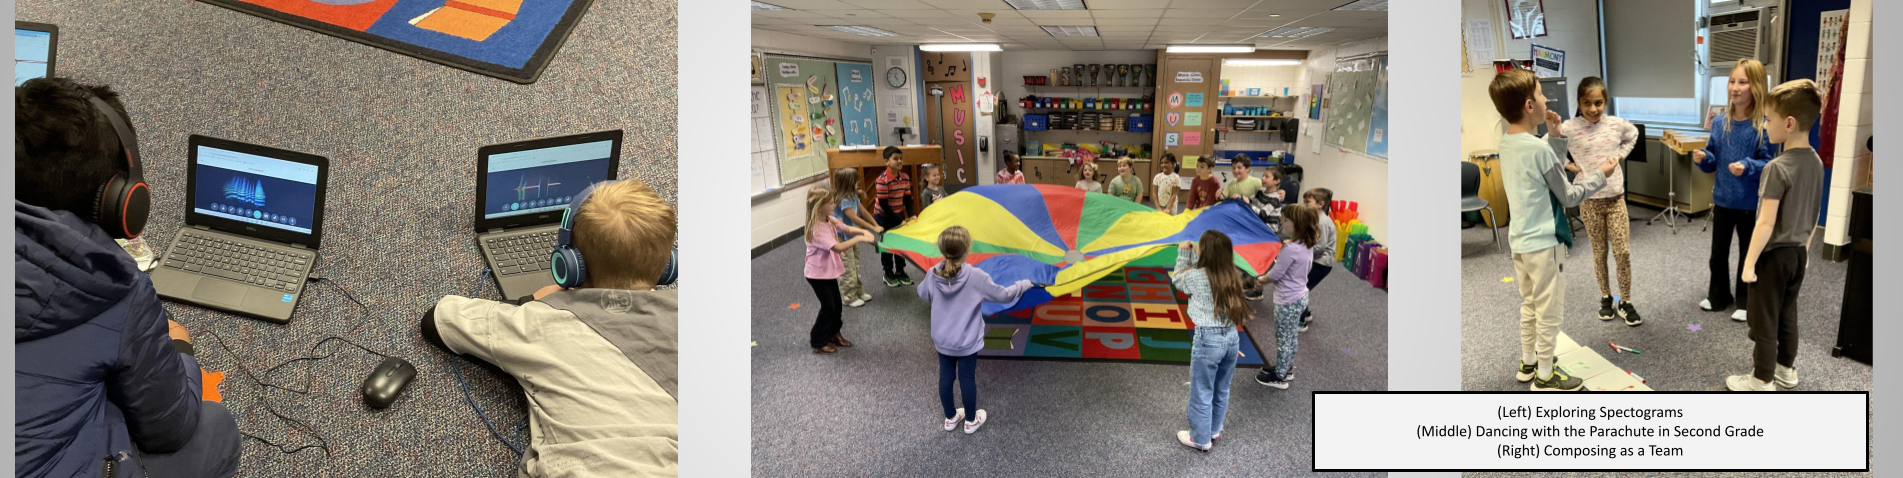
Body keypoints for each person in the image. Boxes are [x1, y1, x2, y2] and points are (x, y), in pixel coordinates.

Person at [16, 77, 241, 478]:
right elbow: (170, 428)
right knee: (215, 428)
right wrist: (180, 350)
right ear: (123, 201)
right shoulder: (111, 286)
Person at [421, 179, 680, 475]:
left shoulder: (543, 321)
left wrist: (534, 301)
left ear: (569, 264)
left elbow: (438, 319)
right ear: (667, 264)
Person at [1489, 68, 1613, 391]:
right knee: (1550, 311)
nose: (1546, 100)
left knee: (1530, 304)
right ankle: (1545, 375)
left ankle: (1529, 362)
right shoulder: (1538, 149)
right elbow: (1568, 194)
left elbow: (1544, 174)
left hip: (1520, 243)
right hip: (1545, 244)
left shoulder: (1507, 143)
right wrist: (1600, 174)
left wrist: (1555, 136)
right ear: (1530, 105)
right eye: (1542, 94)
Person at [1728, 79, 1825, 392]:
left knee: (1763, 320)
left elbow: (1765, 223)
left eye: (1768, 119)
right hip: (1797, 255)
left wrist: (1748, 264)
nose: (1765, 125)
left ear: (1789, 123)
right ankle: (1786, 370)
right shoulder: (1817, 163)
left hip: (1773, 257)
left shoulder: (1777, 167)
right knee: (1787, 313)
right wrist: (1806, 252)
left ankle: (1761, 379)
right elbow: (1812, 216)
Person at [917, 226, 1032, 434]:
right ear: (968, 248)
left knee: (946, 377)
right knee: (967, 378)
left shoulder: (932, 273)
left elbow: (923, 294)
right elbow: (1004, 295)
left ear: (942, 250)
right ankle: (971, 420)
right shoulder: (976, 276)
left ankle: (951, 417)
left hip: (943, 340)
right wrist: (1023, 284)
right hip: (967, 341)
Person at [1693, 59, 1779, 323]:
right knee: (1718, 253)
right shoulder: (1719, 122)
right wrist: (1703, 158)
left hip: (1750, 203)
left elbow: (1769, 163)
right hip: (1722, 199)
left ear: (1756, 87)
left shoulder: (1763, 125)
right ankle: (1719, 296)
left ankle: (1746, 300)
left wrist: (1747, 165)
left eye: (1743, 82)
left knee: (1747, 252)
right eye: (1732, 81)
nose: (1735, 87)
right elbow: (1713, 156)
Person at [1554, 77, 1642, 325]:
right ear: (1579, 103)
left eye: (1598, 102)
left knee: (1622, 252)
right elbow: (1547, 148)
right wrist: (1569, 165)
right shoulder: (1569, 127)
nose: (1593, 109)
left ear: (1605, 101)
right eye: (1587, 103)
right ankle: (1606, 297)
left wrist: (1619, 156)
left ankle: (1625, 301)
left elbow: (1633, 134)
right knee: (1599, 252)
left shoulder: (1615, 124)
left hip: (1615, 199)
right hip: (1589, 200)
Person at [1170, 230, 1253, 451]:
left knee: (1201, 390)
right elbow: (1206, 268)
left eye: (1199, 244)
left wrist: (1182, 253)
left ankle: (1200, 439)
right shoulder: (1232, 274)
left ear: (1204, 252)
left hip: (1208, 340)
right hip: (1231, 339)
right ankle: (1214, 428)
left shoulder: (1196, 276)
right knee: (1221, 387)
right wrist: (1196, 253)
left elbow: (1178, 279)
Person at [794, 188, 876, 354]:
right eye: (831, 203)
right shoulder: (816, 229)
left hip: (828, 271)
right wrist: (859, 238)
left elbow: (845, 228)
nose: (834, 205)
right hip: (817, 275)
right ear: (819, 206)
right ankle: (818, 340)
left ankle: (833, 333)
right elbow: (838, 247)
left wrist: (861, 230)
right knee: (828, 306)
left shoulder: (828, 219)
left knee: (837, 305)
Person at [1254, 204, 1319, 389]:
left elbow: (1275, 274)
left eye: (1286, 220)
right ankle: (1286, 367)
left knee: (1283, 337)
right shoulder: (1304, 244)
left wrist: (1261, 280)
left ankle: (1280, 376)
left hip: (1287, 301)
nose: (1282, 222)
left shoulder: (1290, 249)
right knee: (1290, 336)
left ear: (1297, 225)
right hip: (1300, 297)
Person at [831, 168, 877, 307]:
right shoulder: (842, 200)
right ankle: (848, 297)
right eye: (855, 180)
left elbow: (863, 211)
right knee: (847, 268)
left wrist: (875, 224)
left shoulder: (853, 196)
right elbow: (855, 218)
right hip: (842, 239)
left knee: (855, 265)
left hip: (852, 237)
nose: (858, 182)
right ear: (847, 182)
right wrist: (871, 228)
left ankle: (857, 291)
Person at [873, 146, 917, 287]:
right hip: (884, 217)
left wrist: (911, 215)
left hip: (897, 214)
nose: (899, 161)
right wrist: (900, 220)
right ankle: (888, 273)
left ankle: (900, 271)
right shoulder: (882, 180)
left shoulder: (904, 177)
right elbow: (884, 206)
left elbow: (907, 199)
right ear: (887, 161)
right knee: (887, 245)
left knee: (899, 244)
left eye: (901, 158)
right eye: (895, 159)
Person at [1297, 188, 1338, 331]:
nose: (1304, 205)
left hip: (1321, 263)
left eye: (1308, 202)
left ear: (1320, 204)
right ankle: (1306, 313)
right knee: (1303, 285)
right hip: (1314, 260)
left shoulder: (1322, 222)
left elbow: (1320, 247)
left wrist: (1300, 252)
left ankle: (1301, 321)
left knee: (1300, 289)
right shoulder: (1314, 218)